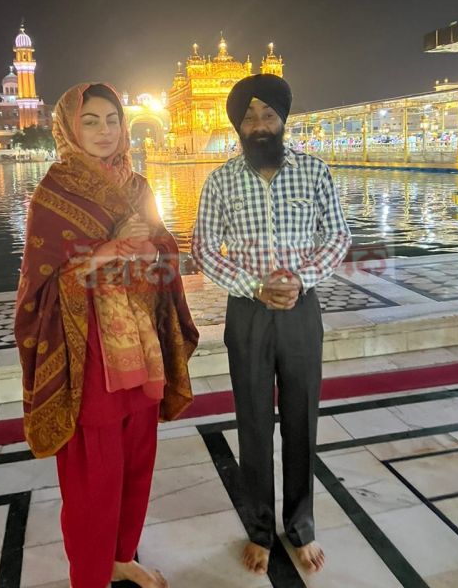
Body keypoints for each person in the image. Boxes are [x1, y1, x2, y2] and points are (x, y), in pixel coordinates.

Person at [15, 83, 198, 588]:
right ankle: (90, 576)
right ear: (70, 128)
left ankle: (121, 556)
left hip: (140, 341)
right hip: (88, 349)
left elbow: (163, 251)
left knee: (138, 457)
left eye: (112, 119)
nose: (103, 131)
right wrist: (98, 258)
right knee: (93, 476)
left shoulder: (139, 187)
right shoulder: (52, 193)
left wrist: (152, 249)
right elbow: (38, 286)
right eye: (90, 120)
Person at [192, 74, 351, 576]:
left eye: (268, 115)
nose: (259, 125)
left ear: (283, 119)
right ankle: (261, 529)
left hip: (302, 309)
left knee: (302, 416)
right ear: (237, 125)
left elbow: (339, 237)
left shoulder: (314, 172)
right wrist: (254, 287)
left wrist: (299, 280)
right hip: (248, 312)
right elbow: (201, 247)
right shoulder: (220, 180)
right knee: (254, 421)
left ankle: (300, 527)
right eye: (249, 117)